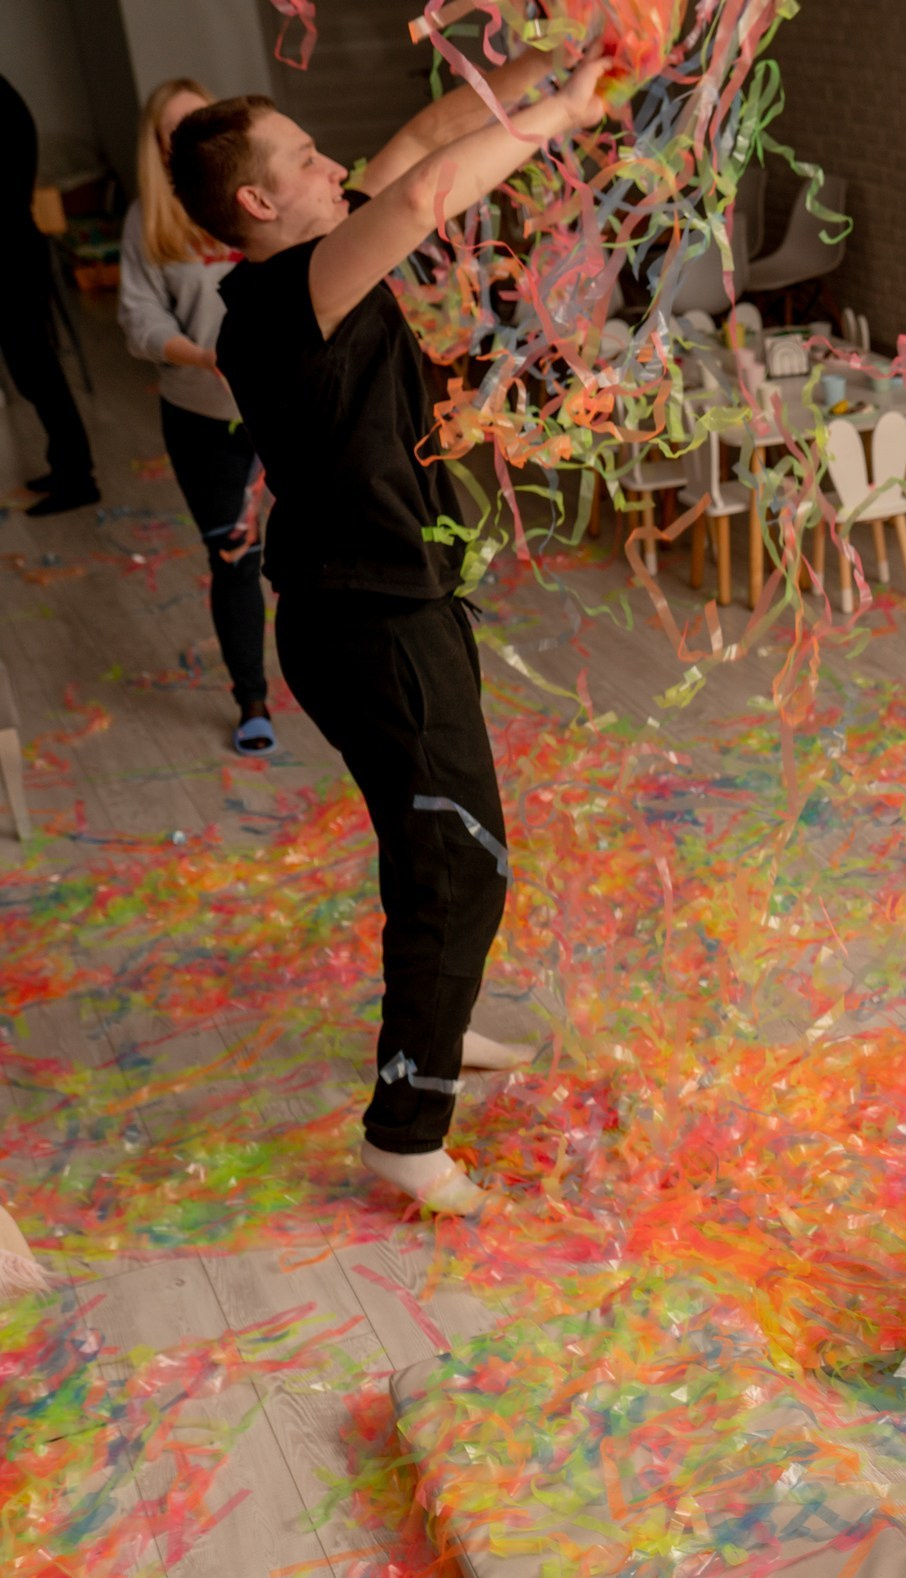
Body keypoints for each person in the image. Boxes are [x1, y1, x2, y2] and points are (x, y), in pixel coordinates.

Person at [169, 52, 607, 1213]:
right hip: (366, 623)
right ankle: (405, 1133)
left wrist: (543, 65)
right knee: (456, 863)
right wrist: (564, 118)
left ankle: (441, 1037)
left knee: (445, 852)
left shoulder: (316, 260)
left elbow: (416, 148)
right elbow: (419, 199)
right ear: (258, 204)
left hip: (396, 600)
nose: (332, 165)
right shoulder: (275, 304)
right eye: (305, 159)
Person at [119, 78, 275, 756]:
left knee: (316, 550)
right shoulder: (148, 222)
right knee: (235, 557)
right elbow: (138, 319)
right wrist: (205, 355)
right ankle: (252, 700)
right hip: (203, 418)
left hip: (288, 411)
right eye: (172, 137)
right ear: (158, 152)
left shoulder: (263, 199)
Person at [0, 75, 98, 515]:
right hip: (16, 247)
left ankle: (78, 478)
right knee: (33, 372)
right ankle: (67, 467)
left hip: (10, 252)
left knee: (37, 371)